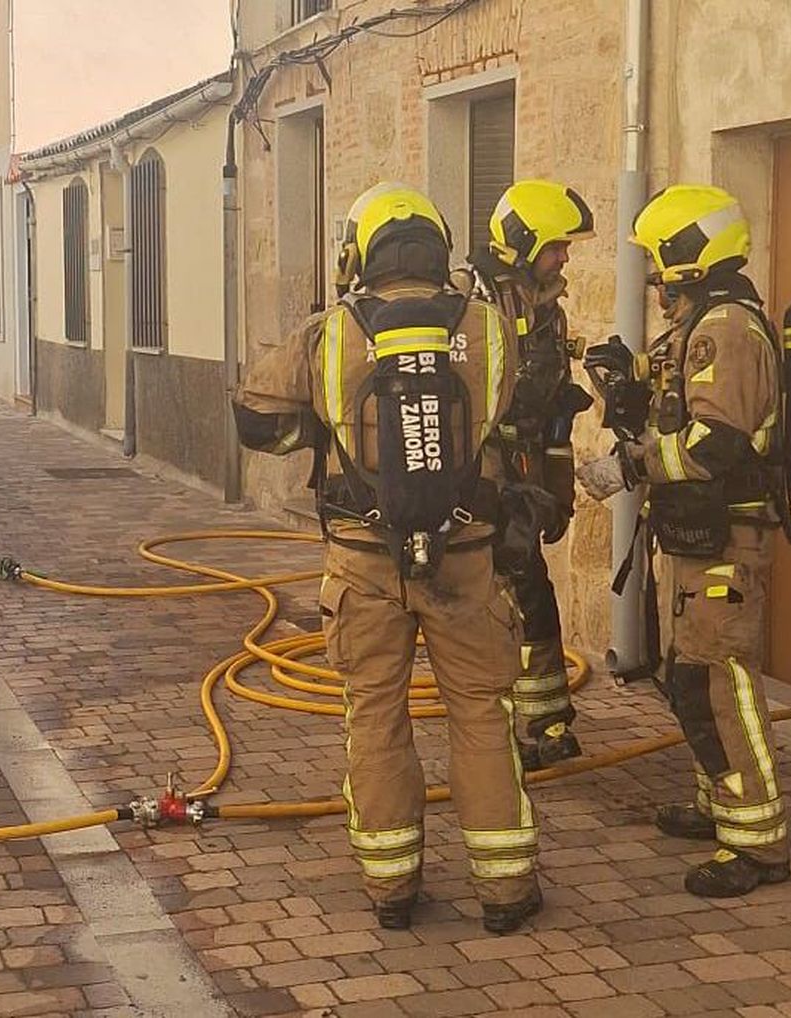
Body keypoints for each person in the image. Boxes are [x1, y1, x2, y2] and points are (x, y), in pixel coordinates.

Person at [233, 183, 540, 933]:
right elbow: (513, 416)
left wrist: (327, 439)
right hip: (467, 558)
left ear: (360, 252)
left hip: (363, 562)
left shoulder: (329, 334)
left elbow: (254, 417)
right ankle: (505, 889)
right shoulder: (489, 328)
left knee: (374, 716)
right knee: (480, 714)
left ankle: (392, 887)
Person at [577, 184, 791, 897]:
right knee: (693, 674)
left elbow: (714, 442)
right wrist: (626, 370)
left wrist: (629, 465)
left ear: (690, 256)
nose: (658, 279)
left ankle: (758, 842)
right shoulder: (704, 322)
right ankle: (716, 802)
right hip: (701, 539)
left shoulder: (727, 328)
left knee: (721, 681)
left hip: (728, 537)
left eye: (662, 262)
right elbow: (676, 382)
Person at [472, 180, 596, 770]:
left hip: (526, 477)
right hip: (484, 480)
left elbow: (552, 416)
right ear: (523, 242)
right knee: (495, 607)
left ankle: (544, 723)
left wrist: (559, 490)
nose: (565, 256)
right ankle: (497, 735)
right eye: (556, 246)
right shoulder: (473, 304)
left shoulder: (548, 308)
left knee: (534, 596)